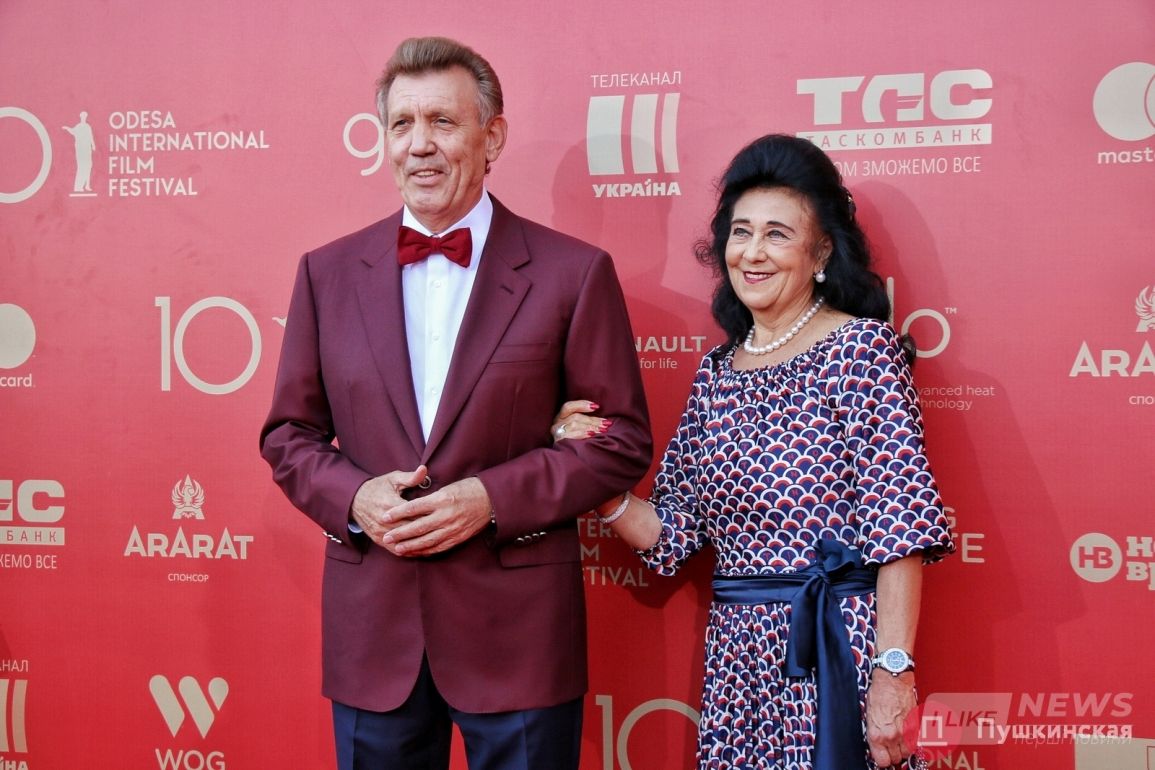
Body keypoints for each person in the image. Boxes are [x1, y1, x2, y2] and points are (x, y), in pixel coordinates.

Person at [260, 36, 652, 770]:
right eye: (402, 124)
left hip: (519, 638)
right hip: (375, 637)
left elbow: (618, 439)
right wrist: (355, 497)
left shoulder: (572, 274)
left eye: (442, 121)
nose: (420, 145)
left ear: (491, 137)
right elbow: (288, 434)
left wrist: (490, 498)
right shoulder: (326, 273)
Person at [553, 134, 954, 770]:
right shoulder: (716, 372)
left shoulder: (862, 351)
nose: (753, 252)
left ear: (822, 251)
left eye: (777, 234)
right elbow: (672, 536)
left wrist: (893, 672)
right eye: (741, 232)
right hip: (738, 666)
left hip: (836, 650)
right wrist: (591, 470)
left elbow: (900, 527)